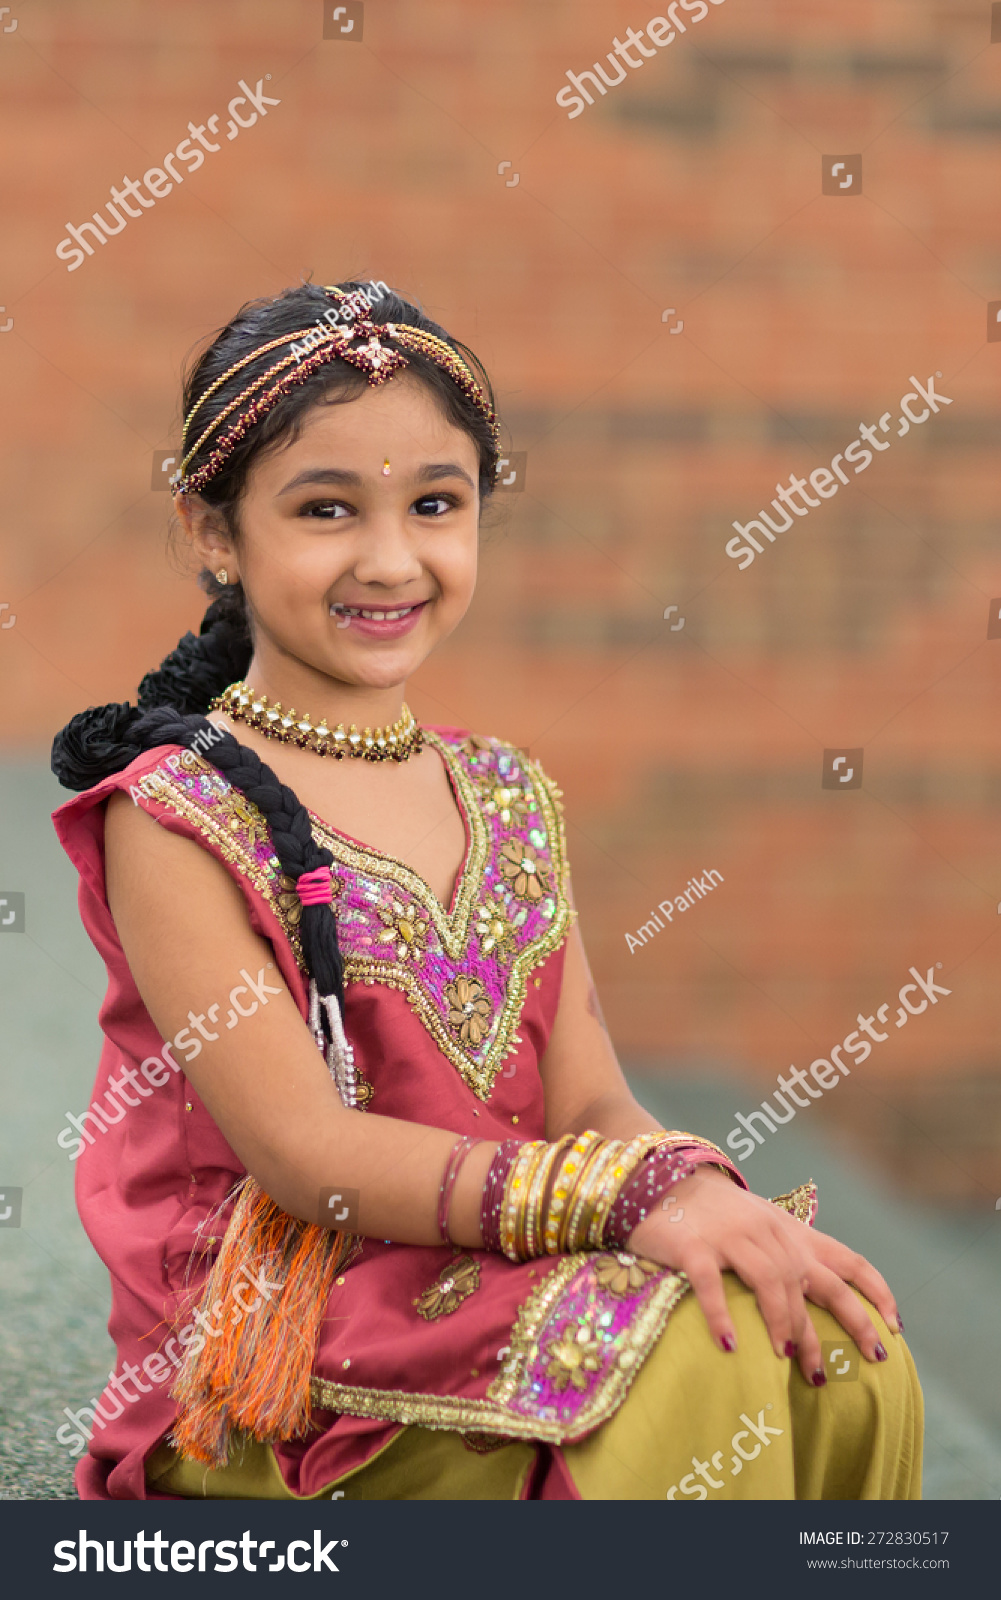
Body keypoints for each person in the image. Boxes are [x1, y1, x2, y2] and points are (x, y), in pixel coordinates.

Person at [51, 280, 922, 1501]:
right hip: (281, 1353)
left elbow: (591, 1102)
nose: (390, 557)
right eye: (324, 508)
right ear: (211, 530)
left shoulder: (507, 793)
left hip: (497, 1271)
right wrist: (623, 1203)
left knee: (826, 1335)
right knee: (693, 1353)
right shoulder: (177, 812)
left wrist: (696, 1191)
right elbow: (307, 1156)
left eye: (435, 505)